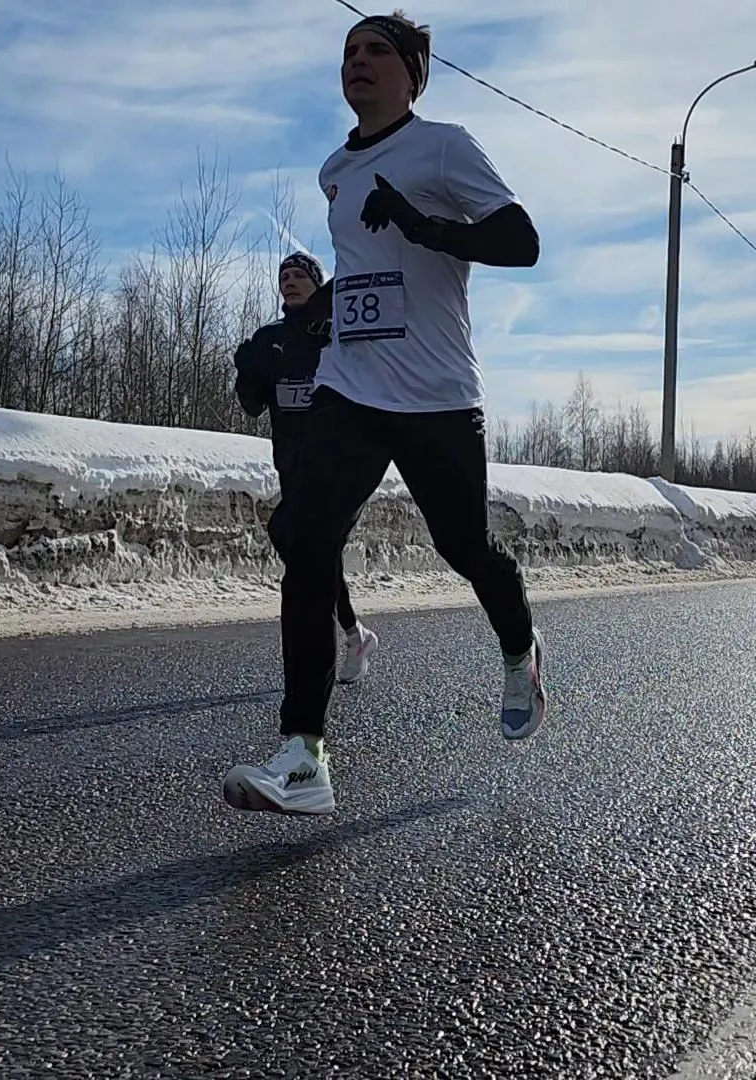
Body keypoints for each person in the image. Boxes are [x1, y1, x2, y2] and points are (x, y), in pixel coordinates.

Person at [224, 11, 545, 817]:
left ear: (413, 75)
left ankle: (519, 649)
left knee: (464, 546)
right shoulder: (335, 169)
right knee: (305, 538)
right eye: (348, 52)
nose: (356, 62)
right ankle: (304, 755)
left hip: (437, 395)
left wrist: (424, 225)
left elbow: (522, 241)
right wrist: (311, 326)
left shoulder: (445, 147)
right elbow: (364, 269)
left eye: (375, 51)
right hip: (352, 389)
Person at [235, 252, 380, 686]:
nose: (290, 281)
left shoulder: (338, 334)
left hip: (343, 469)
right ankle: (354, 635)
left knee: (303, 543)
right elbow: (252, 405)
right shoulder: (270, 339)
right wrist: (246, 372)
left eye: (300, 275)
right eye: (284, 276)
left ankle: (314, 684)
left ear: (319, 285)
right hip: (294, 470)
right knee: (309, 551)